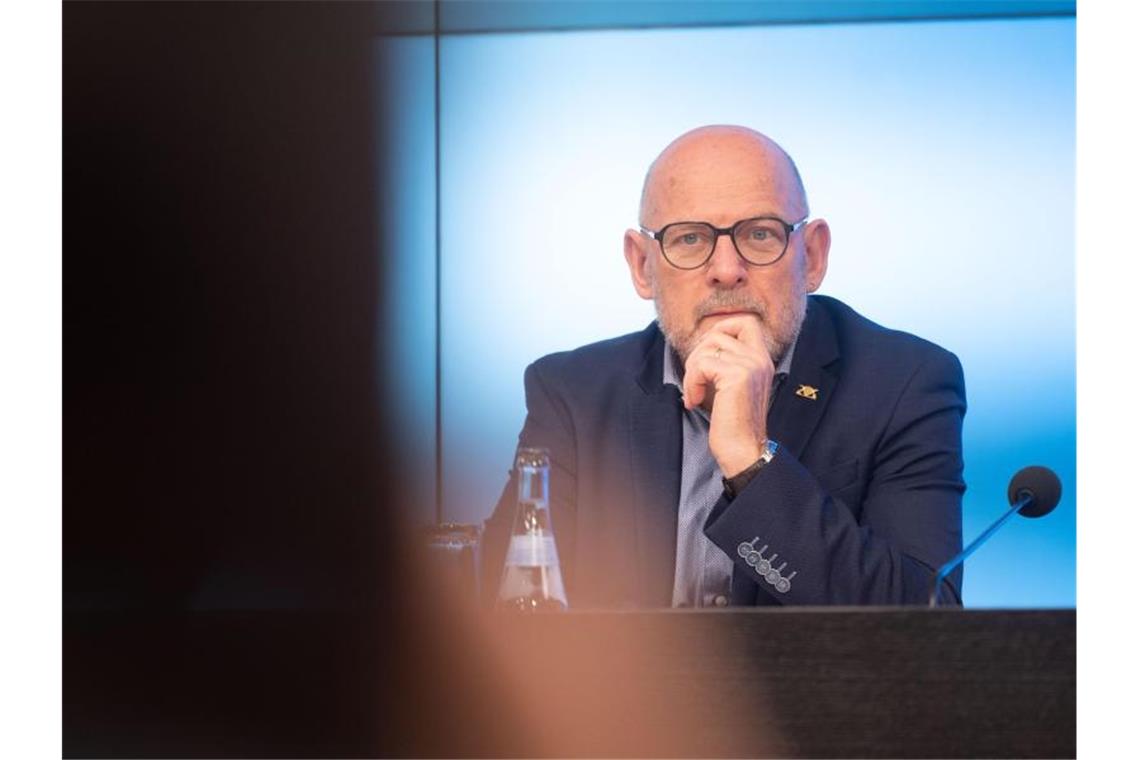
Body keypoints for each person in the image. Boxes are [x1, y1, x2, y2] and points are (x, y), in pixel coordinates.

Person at [482, 125, 966, 608]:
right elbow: (507, 612)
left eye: (759, 234)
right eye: (690, 238)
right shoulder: (573, 395)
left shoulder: (906, 383)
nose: (726, 269)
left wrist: (753, 464)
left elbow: (921, 619)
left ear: (812, 256)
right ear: (642, 265)